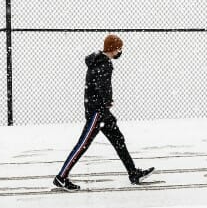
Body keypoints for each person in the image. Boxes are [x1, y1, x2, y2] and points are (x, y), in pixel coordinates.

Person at [53, 33, 153, 191]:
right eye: (119, 49)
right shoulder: (104, 64)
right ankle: (61, 177)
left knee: (118, 140)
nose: (120, 52)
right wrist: (107, 101)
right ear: (113, 49)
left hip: (102, 112)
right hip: (97, 112)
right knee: (82, 145)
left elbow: (99, 84)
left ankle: (133, 173)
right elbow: (102, 85)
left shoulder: (98, 61)